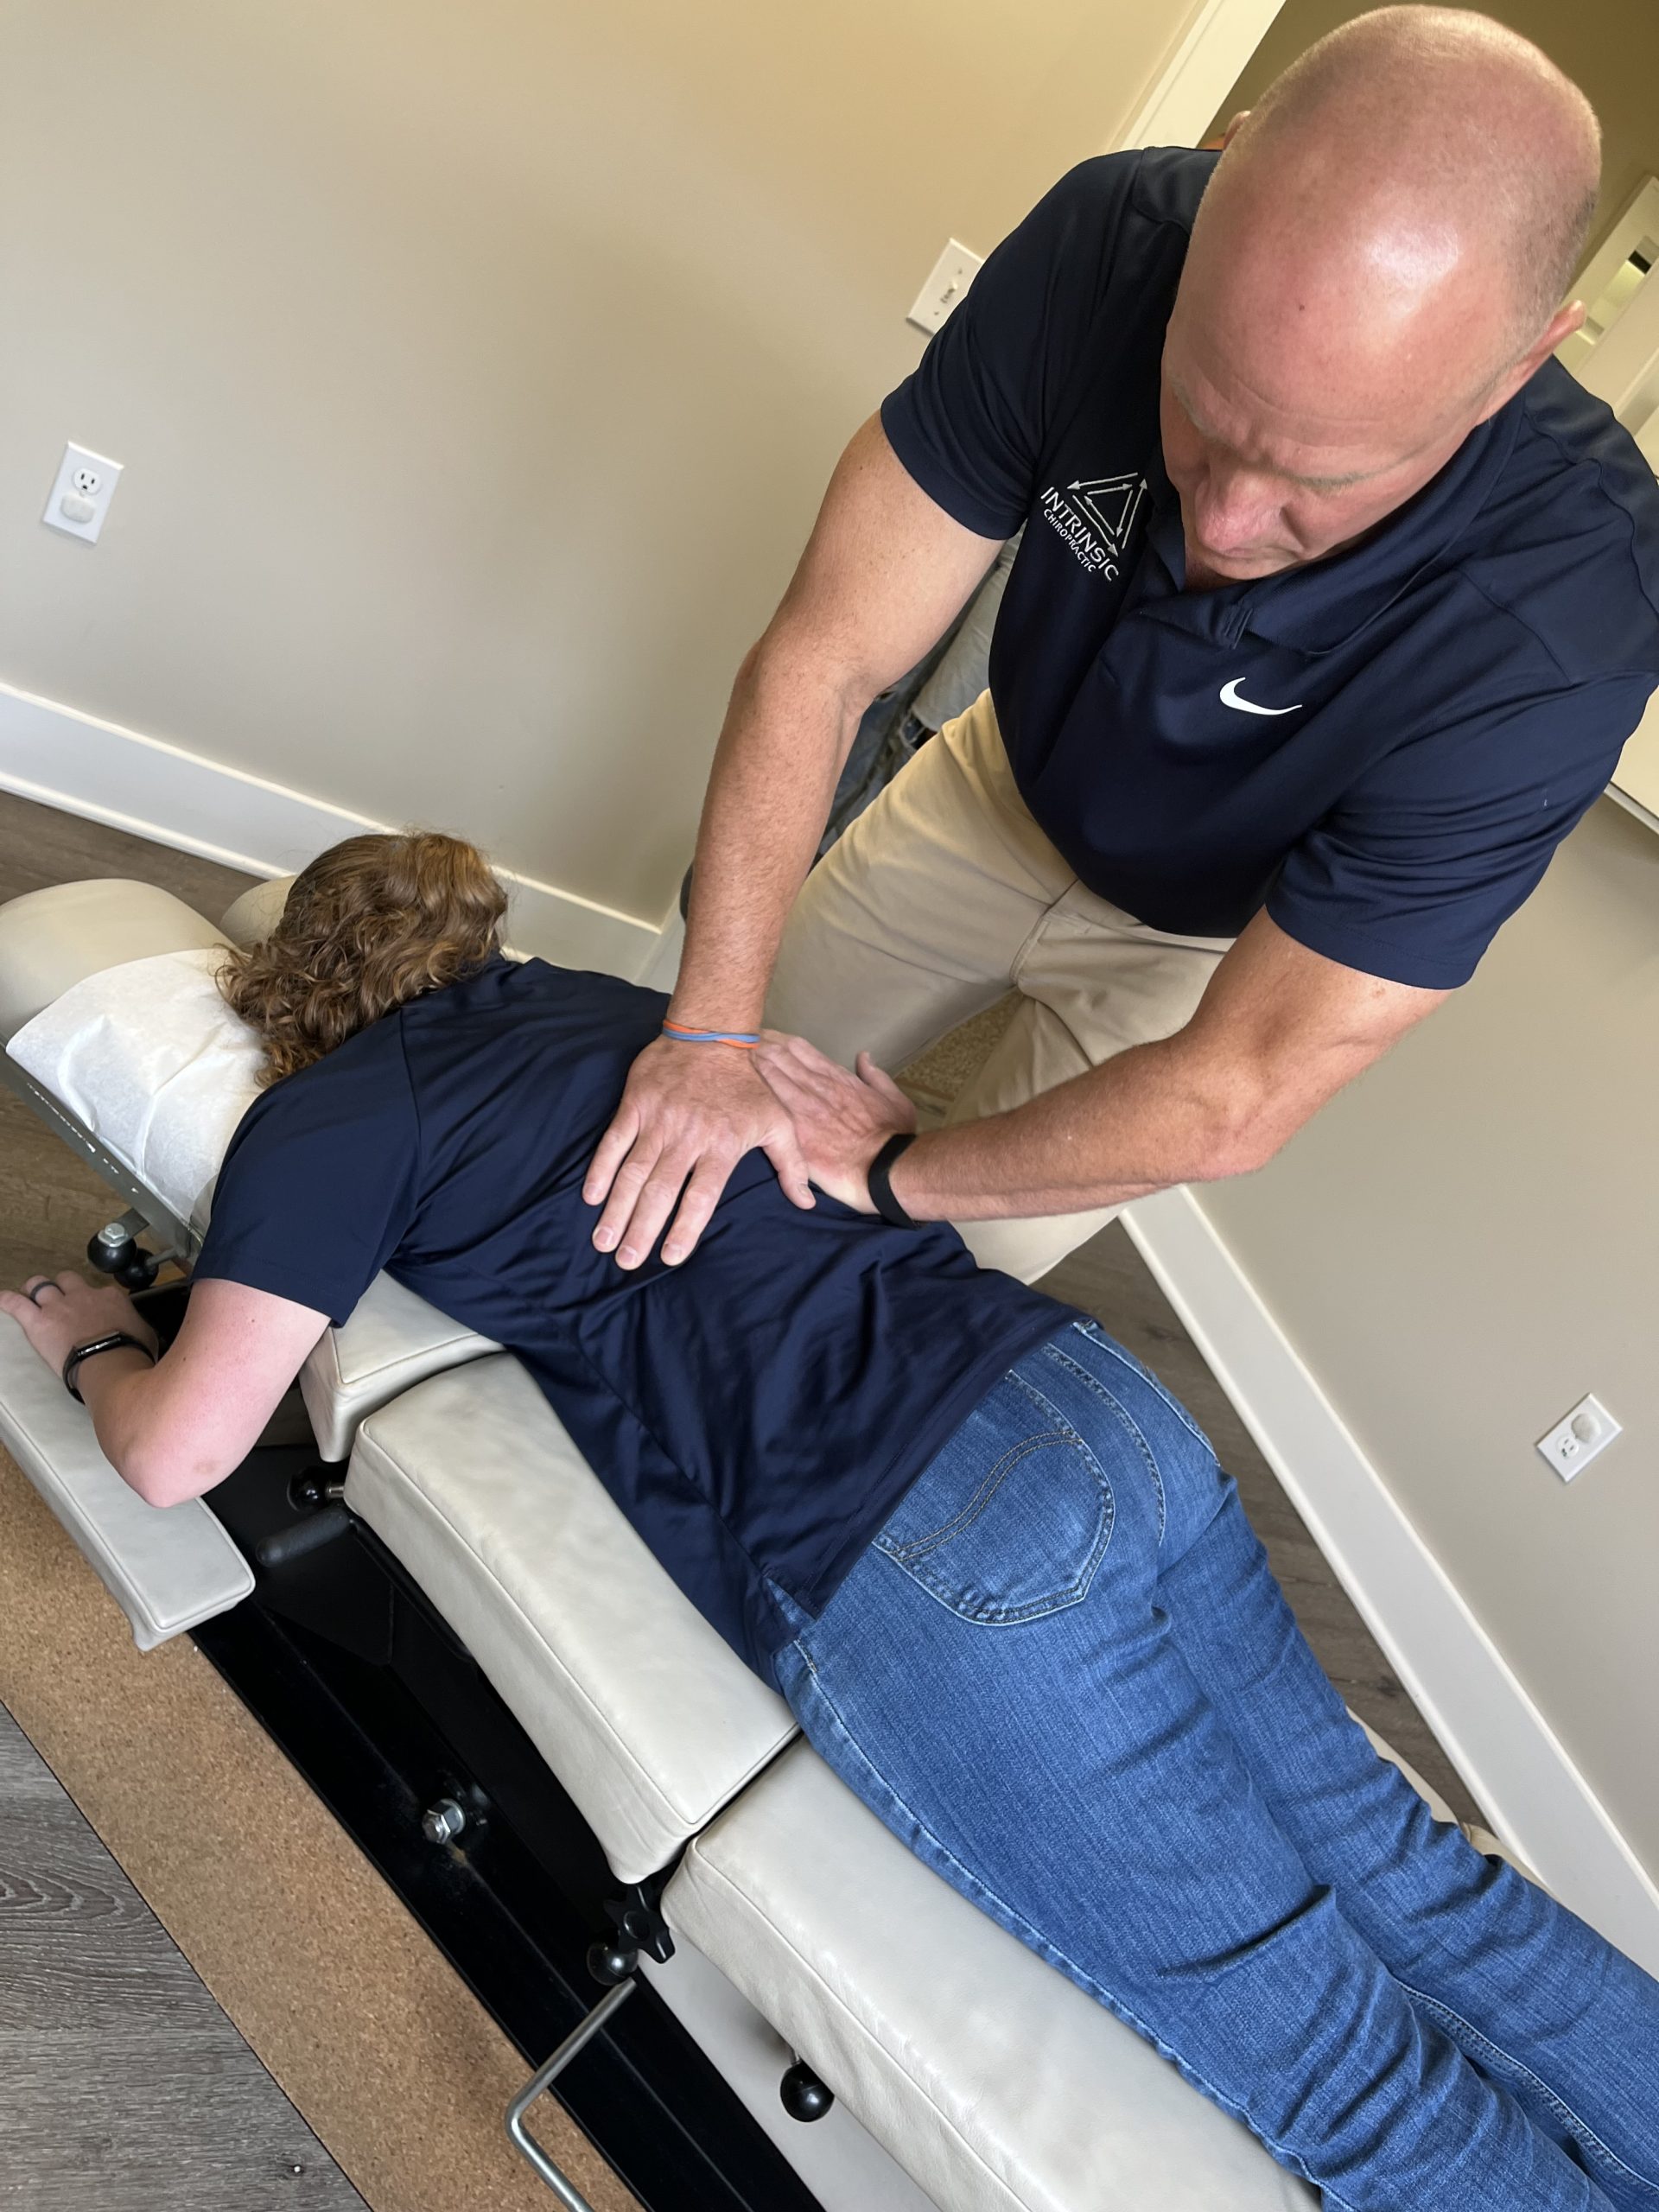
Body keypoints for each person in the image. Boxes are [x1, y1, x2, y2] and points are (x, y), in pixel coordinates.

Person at [4, 830, 1656, 2212]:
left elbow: (177, 1448)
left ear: (289, 1004)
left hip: (928, 1548)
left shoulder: (328, 1119)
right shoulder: (631, 1013)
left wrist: (96, 1348)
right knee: (1421, 1882)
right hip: (1100, 1417)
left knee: (1341, 2070)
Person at [582, 7, 1659, 1286]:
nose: (1228, 518)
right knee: (694, 1111)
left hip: (1200, 961)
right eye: (1200, 413)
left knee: (921, 1288)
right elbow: (825, 659)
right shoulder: (1110, 243)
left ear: (1517, 365)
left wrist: (895, 1175)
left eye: (1323, 479)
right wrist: (706, 1037)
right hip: (997, 786)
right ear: (1220, 173)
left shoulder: (1573, 616)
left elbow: (1239, 1091)